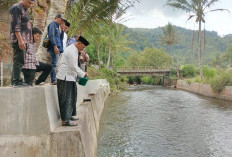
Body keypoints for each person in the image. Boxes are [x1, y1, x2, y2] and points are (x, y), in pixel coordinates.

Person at [56, 36, 89, 126]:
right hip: (65, 77)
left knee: (71, 98)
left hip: (70, 77)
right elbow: (73, 66)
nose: (83, 49)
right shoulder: (71, 51)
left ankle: (69, 115)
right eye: (83, 47)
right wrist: (83, 74)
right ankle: (65, 121)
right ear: (79, 43)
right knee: (66, 99)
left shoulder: (75, 50)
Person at [10, 0, 35, 87]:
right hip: (19, 40)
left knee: (20, 60)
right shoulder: (16, 8)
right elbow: (15, 25)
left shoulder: (23, 9)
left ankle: (16, 80)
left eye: (32, 4)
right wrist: (20, 40)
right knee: (19, 60)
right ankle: (16, 82)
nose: (30, 5)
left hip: (25, 40)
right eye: (29, 3)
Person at [47, 14, 65, 85]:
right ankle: (53, 80)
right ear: (57, 18)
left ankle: (54, 79)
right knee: (54, 64)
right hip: (54, 48)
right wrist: (55, 46)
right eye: (61, 20)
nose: (62, 21)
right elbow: (51, 35)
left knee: (56, 65)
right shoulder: (53, 24)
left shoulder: (58, 26)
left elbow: (60, 39)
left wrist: (62, 31)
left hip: (59, 48)